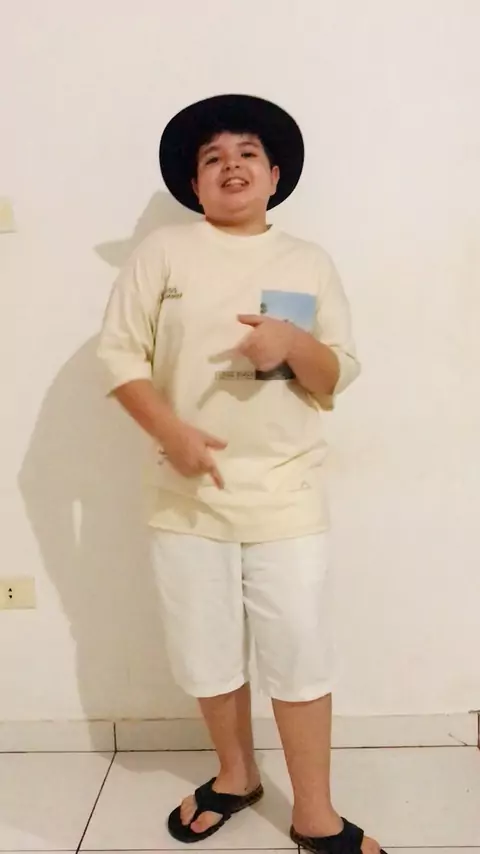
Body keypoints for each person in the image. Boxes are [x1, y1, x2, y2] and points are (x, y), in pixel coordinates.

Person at [97, 94, 385, 854]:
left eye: (247, 153)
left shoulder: (307, 261)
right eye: (212, 158)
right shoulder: (162, 254)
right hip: (186, 497)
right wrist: (173, 434)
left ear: (274, 174)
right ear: (195, 184)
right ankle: (235, 777)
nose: (231, 166)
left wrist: (292, 342)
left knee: (301, 656)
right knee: (207, 653)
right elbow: (119, 355)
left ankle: (316, 813)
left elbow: (337, 372)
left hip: (287, 495)